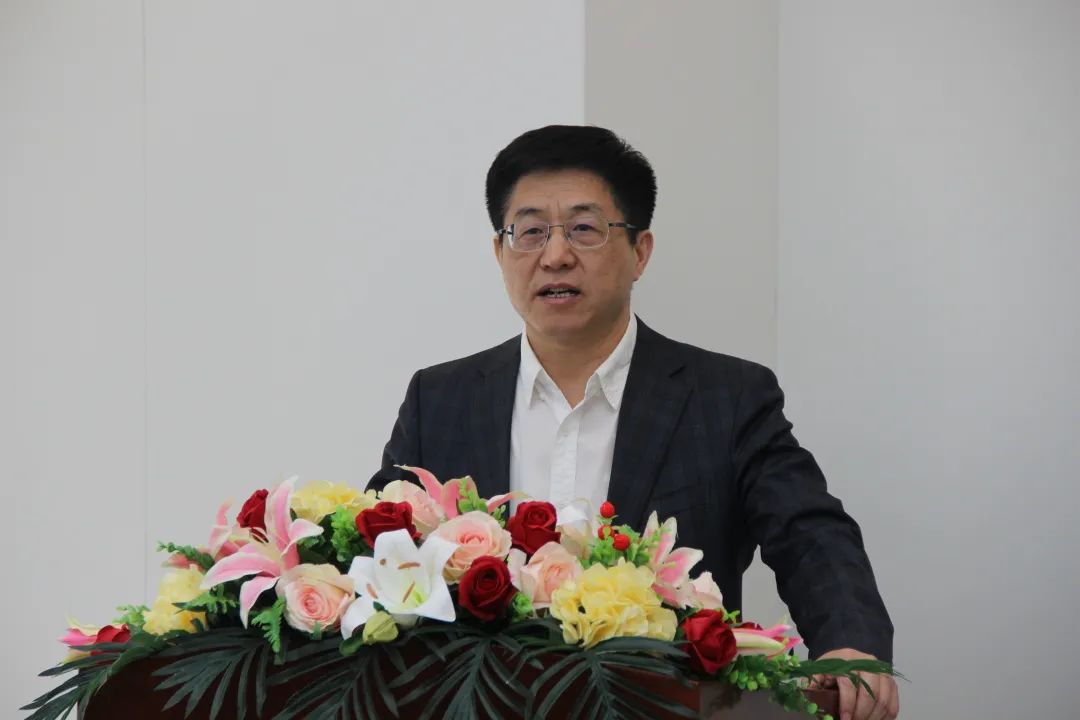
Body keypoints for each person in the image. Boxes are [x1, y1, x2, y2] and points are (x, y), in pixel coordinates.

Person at [369, 125, 898, 720]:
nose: (555, 255)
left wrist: (850, 643)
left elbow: (809, 534)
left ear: (640, 251)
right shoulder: (440, 400)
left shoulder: (726, 398)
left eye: (584, 229)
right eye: (531, 231)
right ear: (500, 252)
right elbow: (379, 552)